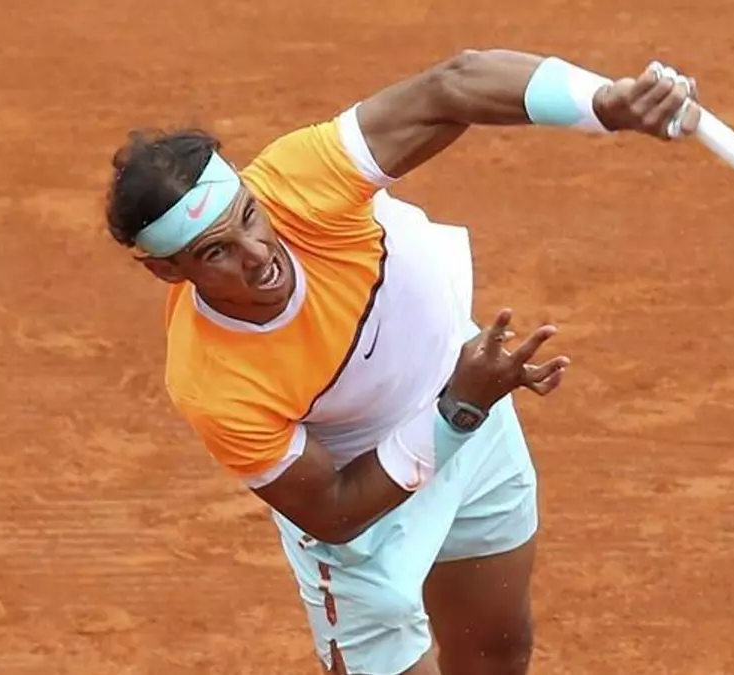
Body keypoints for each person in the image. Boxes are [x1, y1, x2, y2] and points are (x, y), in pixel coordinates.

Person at [104, 51, 700, 675]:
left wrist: (602, 104)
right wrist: (459, 408)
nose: (257, 255)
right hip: (371, 500)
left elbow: (453, 85)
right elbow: (334, 510)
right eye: (216, 252)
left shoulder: (300, 180)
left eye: (249, 216)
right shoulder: (213, 382)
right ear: (167, 271)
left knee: (498, 652)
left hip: (470, 412)